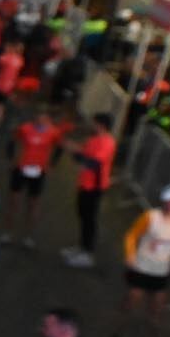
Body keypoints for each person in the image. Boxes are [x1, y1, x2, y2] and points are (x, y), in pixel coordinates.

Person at [105, 184, 170, 337]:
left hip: (161, 272)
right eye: (169, 201)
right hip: (141, 268)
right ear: (163, 201)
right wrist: (130, 255)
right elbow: (132, 235)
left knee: (156, 310)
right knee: (128, 306)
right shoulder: (150, 217)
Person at [1, 109, 71, 245]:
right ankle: (8, 232)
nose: (40, 122)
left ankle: (28, 235)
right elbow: (12, 141)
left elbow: (60, 148)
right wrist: (11, 160)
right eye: (38, 119)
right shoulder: (25, 129)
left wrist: (52, 165)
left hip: (39, 171)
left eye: (44, 120)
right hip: (21, 168)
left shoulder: (53, 132)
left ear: (48, 120)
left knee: (33, 204)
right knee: (14, 202)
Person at [63, 113, 118, 268]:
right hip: (85, 183)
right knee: (83, 215)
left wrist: (77, 154)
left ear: (101, 125)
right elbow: (84, 156)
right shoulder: (94, 140)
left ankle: (87, 253)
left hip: (95, 186)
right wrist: (74, 151)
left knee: (89, 219)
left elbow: (95, 162)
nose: (91, 126)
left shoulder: (107, 142)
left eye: (94, 123)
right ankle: (81, 248)